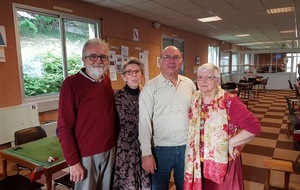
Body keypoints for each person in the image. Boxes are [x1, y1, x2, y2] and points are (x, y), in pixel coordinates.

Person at [184, 63, 261, 190]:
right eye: (199, 77)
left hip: (223, 163)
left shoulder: (229, 101)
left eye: (209, 77)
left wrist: (230, 143)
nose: (203, 81)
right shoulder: (195, 99)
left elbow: (254, 127)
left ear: (218, 80)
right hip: (198, 162)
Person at [57, 38, 116, 190]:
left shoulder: (106, 81)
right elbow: (64, 127)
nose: (98, 61)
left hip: (110, 151)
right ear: (84, 60)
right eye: (92, 56)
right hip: (86, 156)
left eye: (103, 56)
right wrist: (73, 162)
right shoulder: (71, 84)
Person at [139, 46, 197, 190]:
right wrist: (146, 153)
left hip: (186, 147)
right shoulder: (150, 87)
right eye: (167, 57)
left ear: (181, 61)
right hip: (160, 150)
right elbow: (144, 122)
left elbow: (196, 115)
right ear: (160, 61)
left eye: (176, 57)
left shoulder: (189, 84)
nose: (172, 61)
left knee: (186, 187)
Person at [113, 57, 151, 190]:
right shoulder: (116, 98)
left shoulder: (147, 96)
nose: (134, 75)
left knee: (144, 181)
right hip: (124, 149)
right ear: (124, 77)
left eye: (137, 72)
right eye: (130, 72)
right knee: (126, 183)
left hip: (144, 147)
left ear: (142, 75)